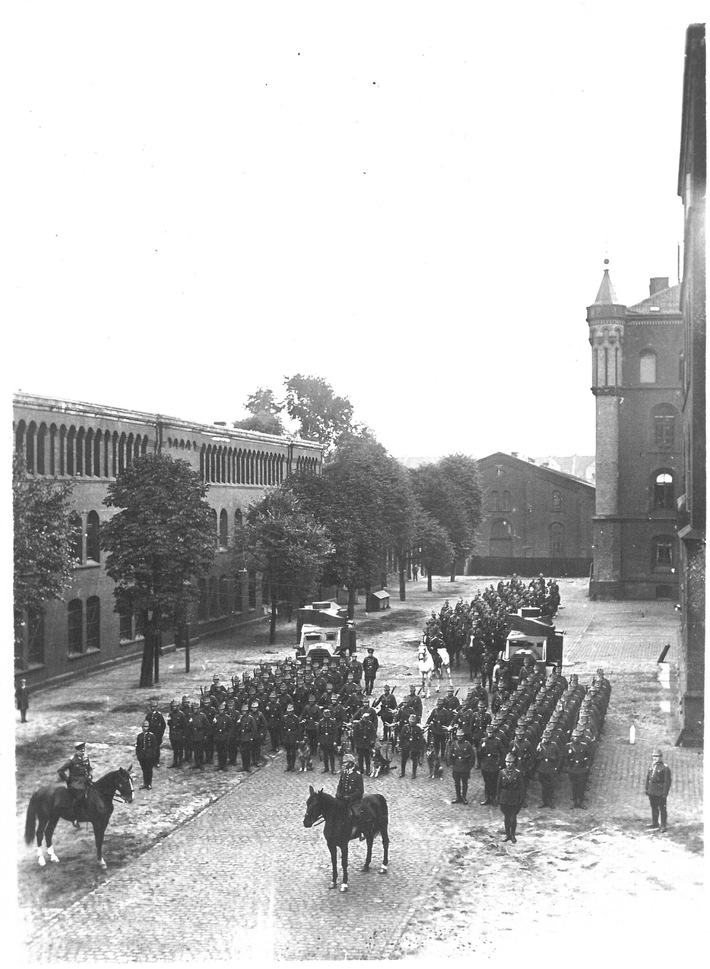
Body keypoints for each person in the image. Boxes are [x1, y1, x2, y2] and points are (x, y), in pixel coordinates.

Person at [58, 741, 93, 826]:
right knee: (79, 798)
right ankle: (75, 818)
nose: (83, 752)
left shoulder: (86, 758)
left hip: (85, 782)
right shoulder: (72, 761)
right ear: (77, 751)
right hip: (75, 784)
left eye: (83, 750)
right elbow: (60, 771)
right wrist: (67, 779)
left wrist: (90, 775)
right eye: (81, 751)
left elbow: (90, 768)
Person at [497, 751, 526, 843]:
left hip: (514, 798)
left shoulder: (517, 773)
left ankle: (513, 835)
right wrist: (498, 797)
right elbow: (498, 786)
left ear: (513, 763)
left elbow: (522, 787)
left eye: (510, 762)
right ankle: (507, 835)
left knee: (513, 819)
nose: (508, 764)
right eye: (507, 762)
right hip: (504, 798)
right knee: (506, 818)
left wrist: (521, 799)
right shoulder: (502, 773)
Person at [335, 753, 364, 839]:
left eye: (345, 762)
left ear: (351, 763)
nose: (343, 764)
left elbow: (360, 791)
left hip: (354, 801)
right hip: (343, 799)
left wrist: (350, 797)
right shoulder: (344, 773)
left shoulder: (357, 775)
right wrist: (338, 793)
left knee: (356, 814)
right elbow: (340, 785)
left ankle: (361, 831)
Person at [645, 748, 672, 832]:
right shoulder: (652, 765)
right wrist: (647, 788)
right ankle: (655, 823)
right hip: (652, 790)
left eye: (657, 756)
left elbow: (667, 782)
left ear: (661, 757)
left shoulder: (665, 768)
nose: (655, 758)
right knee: (654, 807)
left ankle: (663, 825)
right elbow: (648, 777)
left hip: (660, 792)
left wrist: (665, 793)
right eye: (654, 756)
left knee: (662, 808)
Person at [449, 728, 475, 804]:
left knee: (464, 783)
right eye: (458, 736)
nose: (459, 737)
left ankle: (464, 797)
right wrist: (451, 764)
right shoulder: (454, 744)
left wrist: (470, 766)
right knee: (457, 783)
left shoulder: (467, 744)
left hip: (464, 766)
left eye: (460, 736)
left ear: (463, 736)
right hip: (456, 766)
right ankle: (458, 797)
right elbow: (450, 754)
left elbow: (472, 756)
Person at [399, 713, 425, 778]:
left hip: (414, 745)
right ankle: (402, 772)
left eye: (413, 722)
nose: (411, 723)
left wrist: (420, 747)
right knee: (404, 759)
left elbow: (421, 739)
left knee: (414, 759)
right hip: (406, 744)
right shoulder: (405, 727)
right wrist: (400, 745)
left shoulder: (418, 729)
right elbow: (401, 736)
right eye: (410, 721)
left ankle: (414, 773)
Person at [135, 721, 158, 790]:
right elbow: (138, 747)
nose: (145, 728)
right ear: (142, 727)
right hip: (142, 757)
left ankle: (149, 783)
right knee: (144, 769)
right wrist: (139, 756)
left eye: (147, 727)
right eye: (144, 727)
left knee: (149, 770)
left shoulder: (151, 736)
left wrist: (153, 757)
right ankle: (145, 783)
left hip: (149, 756)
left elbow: (154, 747)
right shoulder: (140, 736)